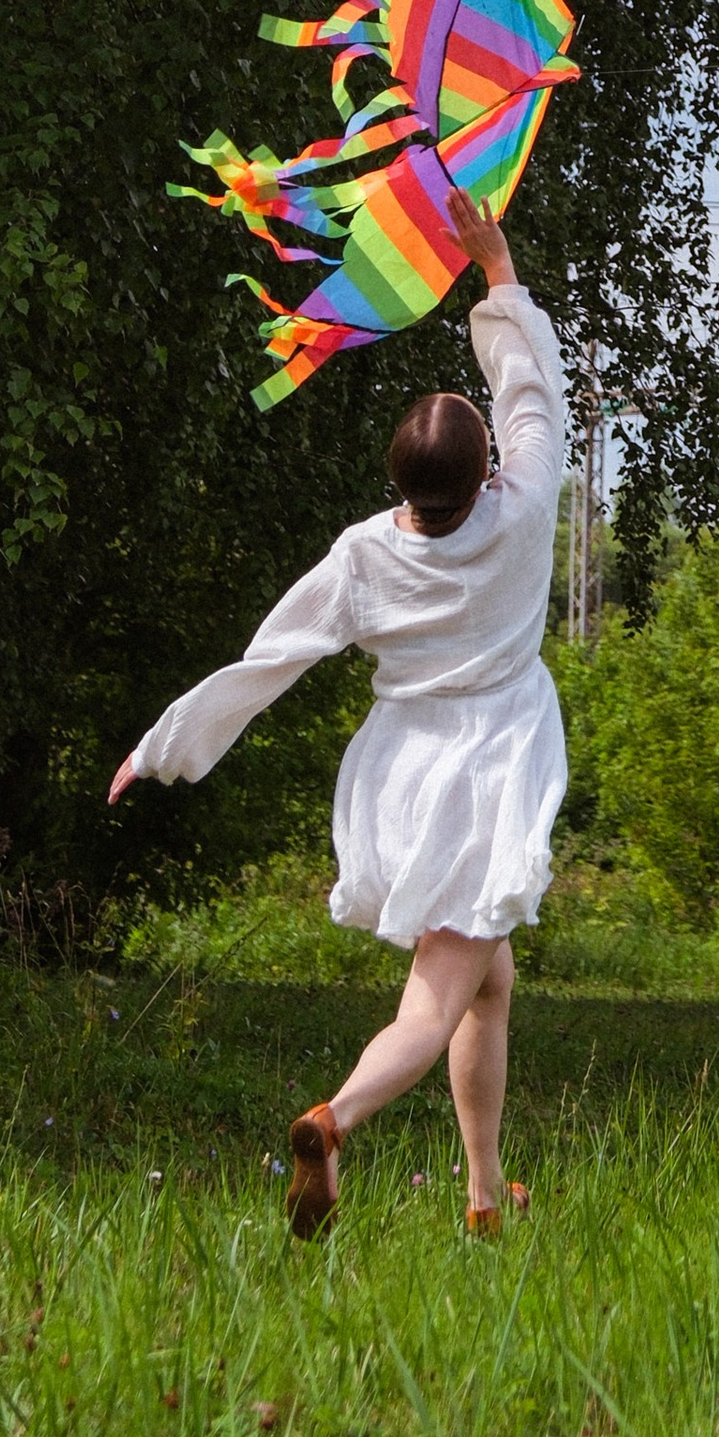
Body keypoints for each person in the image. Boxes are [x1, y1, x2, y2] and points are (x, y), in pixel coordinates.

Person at [109, 180, 567, 1240]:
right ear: (486, 470)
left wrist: (163, 745)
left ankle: (485, 1195)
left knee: (487, 983)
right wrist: (496, 269)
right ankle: (335, 1118)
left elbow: (271, 657)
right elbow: (530, 389)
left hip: (406, 782)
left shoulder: (365, 553)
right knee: (434, 1001)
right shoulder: (526, 506)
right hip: (485, 782)